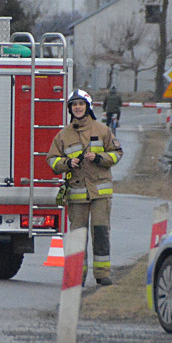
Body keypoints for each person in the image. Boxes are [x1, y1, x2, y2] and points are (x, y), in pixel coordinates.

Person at [46, 88, 123, 287]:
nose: (78, 108)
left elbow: (117, 153)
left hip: (100, 193)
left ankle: (102, 274)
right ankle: (76, 276)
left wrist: (100, 158)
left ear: (87, 107)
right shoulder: (63, 135)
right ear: (70, 109)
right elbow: (52, 160)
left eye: (81, 104)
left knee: (101, 233)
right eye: (74, 105)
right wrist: (67, 163)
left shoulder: (102, 130)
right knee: (77, 237)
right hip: (77, 194)